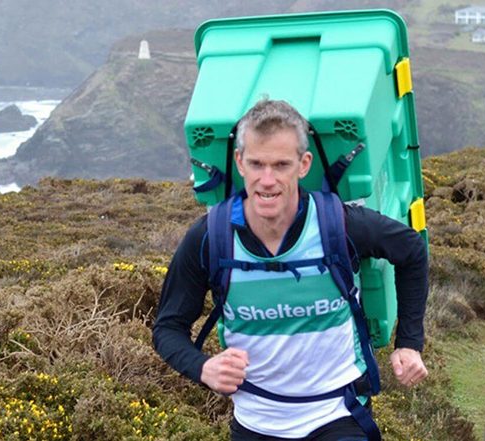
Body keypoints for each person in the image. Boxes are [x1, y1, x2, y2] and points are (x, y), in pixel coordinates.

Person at [153, 99, 429, 441]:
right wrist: (203, 367)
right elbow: (167, 328)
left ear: (303, 164)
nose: (267, 180)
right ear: (240, 162)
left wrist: (409, 343)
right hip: (256, 424)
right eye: (257, 164)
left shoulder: (338, 226)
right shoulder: (210, 237)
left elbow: (412, 251)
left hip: (339, 415)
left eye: (281, 165)